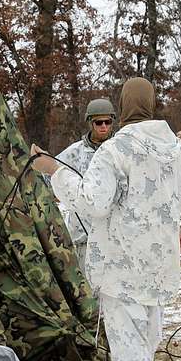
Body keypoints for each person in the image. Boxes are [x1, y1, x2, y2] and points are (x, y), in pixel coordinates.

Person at [31, 77, 181, 361]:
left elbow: (93, 202)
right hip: (158, 268)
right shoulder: (175, 151)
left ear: (124, 106)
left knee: (129, 347)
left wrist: (54, 170)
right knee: (139, 344)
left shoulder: (116, 150)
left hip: (122, 267)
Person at [54, 98, 116, 272]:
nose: (104, 126)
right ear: (90, 122)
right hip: (83, 238)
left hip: (114, 238)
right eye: (98, 122)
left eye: (108, 122)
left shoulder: (120, 151)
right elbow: (50, 175)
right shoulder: (75, 153)